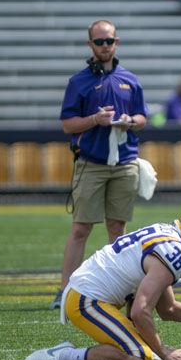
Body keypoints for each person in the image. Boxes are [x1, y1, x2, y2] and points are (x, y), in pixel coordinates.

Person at [23, 205, 181, 360]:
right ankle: (64, 355)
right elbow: (140, 311)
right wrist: (164, 351)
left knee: (145, 352)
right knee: (139, 357)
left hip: (91, 293)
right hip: (86, 299)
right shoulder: (178, 253)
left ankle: (131, 343)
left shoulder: (167, 236)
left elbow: (169, 310)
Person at [51, 19, 148, 310]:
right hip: (92, 162)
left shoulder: (130, 80)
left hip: (124, 161)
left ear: (116, 42)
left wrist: (128, 121)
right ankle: (66, 290)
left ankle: (113, 288)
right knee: (81, 228)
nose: (105, 46)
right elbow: (68, 125)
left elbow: (142, 118)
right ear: (90, 45)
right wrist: (95, 120)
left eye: (109, 41)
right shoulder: (78, 81)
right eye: (99, 42)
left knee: (118, 230)